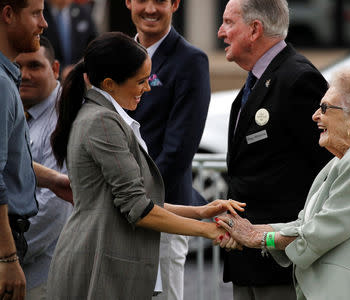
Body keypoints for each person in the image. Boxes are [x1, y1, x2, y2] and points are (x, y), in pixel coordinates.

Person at [47, 32, 242, 300]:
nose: (148, 88)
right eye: (141, 81)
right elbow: (139, 209)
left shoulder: (104, 117)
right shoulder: (102, 122)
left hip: (105, 261)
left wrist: (200, 212)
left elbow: (135, 201)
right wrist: (208, 230)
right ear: (109, 84)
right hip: (99, 263)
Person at [218, 67, 350, 300]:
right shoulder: (346, 159)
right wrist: (250, 229)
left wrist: (258, 238)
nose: (315, 115)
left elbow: (317, 233)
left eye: (325, 108)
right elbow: (304, 223)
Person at [217, 0, 331, 298]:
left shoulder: (298, 79)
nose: (220, 32)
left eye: (229, 22)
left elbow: (327, 170)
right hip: (248, 260)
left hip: (281, 266)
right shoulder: (257, 79)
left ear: (254, 30)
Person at [125, 1, 211, 299]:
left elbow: (178, 150)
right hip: (117, 211)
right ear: (128, 3)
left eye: (160, 0)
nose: (150, 8)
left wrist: (135, 197)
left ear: (175, 4)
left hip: (162, 210)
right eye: (142, 0)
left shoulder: (190, 60)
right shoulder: (116, 55)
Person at [0, 1, 72, 299]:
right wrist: (8, 257)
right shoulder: (3, 86)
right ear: (8, 14)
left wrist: (54, 180)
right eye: (35, 13)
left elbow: (11, 163)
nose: (44, 24)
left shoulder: (8, 82)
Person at [15, 36, 73, 300]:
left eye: (35, 66)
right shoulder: (14, 109)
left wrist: (8, 250)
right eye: (18, 67)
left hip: (44, 277)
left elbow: (55, 206)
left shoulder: (65, 117)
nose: (24, 75)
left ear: (55, 69)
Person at [42, 0, 97, 72]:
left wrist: (80, 67)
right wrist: (62, 71)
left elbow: (94, 45)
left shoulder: (83, 12)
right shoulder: (40, 13)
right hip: (50, 73)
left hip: (80, 74)